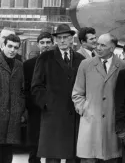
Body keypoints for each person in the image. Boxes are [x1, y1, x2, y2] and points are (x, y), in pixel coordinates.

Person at [31, 24, 85, 163]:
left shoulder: (80, 59)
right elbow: (36, 86)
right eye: (59, 38)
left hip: (74, 115)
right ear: (55, 40)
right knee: (53, 156)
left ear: (72, 39)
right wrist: (47, 103)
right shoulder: (45, 58)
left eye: (65, 37)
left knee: (73, 156)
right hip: (53, 115)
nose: (62, 41)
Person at [72, 33, 125, 162]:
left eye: (103, 45)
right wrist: (84, 109)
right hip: (90, 123)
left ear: (112, 47)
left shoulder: (123, 66)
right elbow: (77, 93)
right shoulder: (85, 64)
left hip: (112, 125)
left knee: (111, 158)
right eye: (97, 44)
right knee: (89, 158)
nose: (98, 47)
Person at [23, 32, 54, 163]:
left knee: (52, 149)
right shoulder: (28, 64)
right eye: (42, 43)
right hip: (35, 111)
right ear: (38, 44)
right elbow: (26, 90)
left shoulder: (59, 63)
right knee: (34, 147)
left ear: (52, 44)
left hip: (53, 111)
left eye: (48, 42)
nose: (45, 45)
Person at [0, 34, 24, 163]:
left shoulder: (19, 66)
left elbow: (22, 90)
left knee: (7, 152)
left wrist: (21, 111)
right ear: (3, 46)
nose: (12, 50)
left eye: (16, 47)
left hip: (13, 116)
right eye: (9, 46)